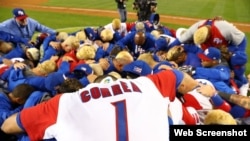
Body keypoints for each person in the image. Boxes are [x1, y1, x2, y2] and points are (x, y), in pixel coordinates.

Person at [1, 69, 215, 141]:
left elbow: (8, 126)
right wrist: (202, 91)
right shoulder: (148, 84)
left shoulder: (65, 102)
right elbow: (184, 79)